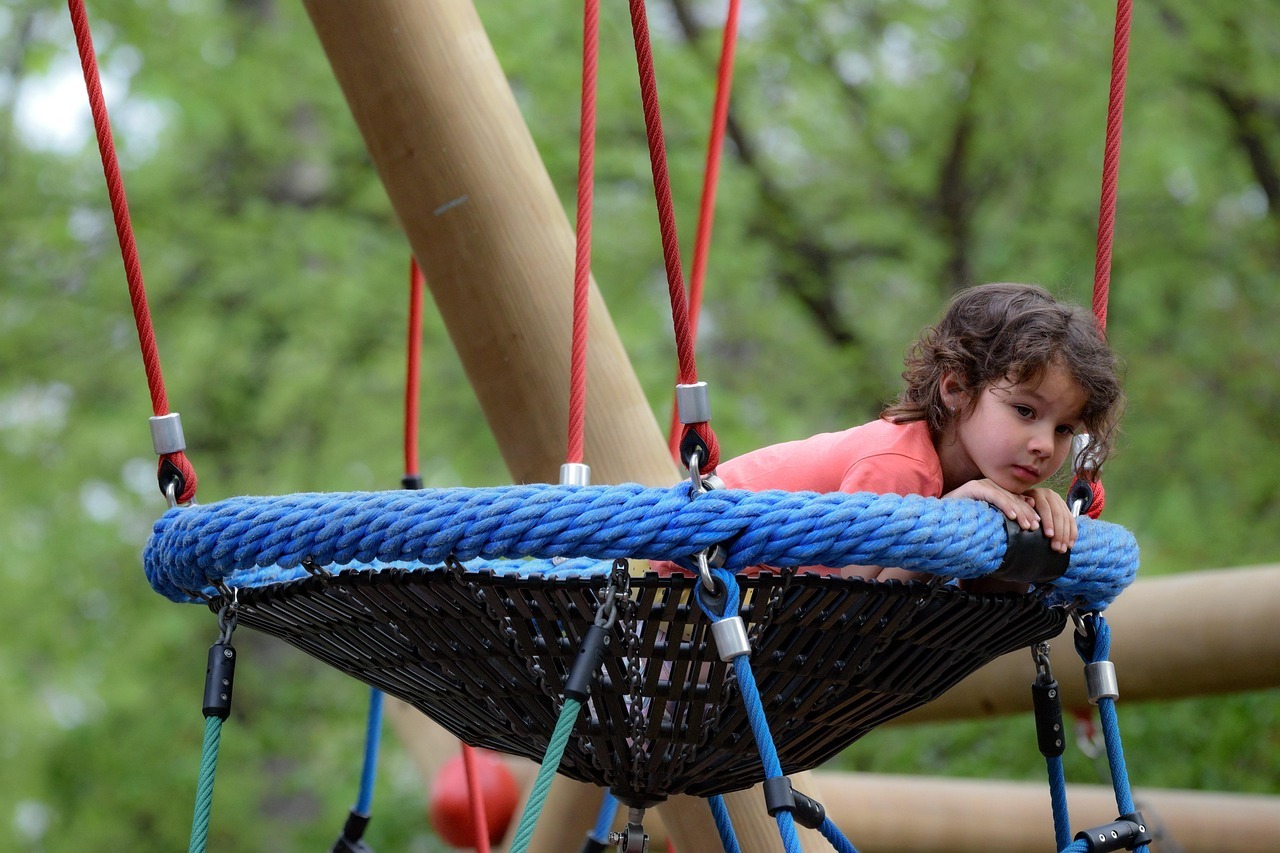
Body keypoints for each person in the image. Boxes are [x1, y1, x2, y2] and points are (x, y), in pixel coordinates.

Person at [664, 281, 1125, 582]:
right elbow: (850, 604)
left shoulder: (974, 477)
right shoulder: (899, 467)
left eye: (1065, 428)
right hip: (692, 579)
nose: (1045, 445)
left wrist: (1034, 518)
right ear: (957, 389)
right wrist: (944, 528)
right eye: (1024, 411)